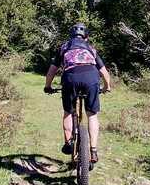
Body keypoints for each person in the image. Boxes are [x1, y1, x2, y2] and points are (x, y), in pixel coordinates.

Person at [44, 23, 111, 163]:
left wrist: (47, 87)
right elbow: (105, 73)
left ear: (70, 37)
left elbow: (51, 72)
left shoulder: (64, 48)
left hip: (70, 78)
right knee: (92, 114)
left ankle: (68, 144)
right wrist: (106, 87)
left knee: (68, 111)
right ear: (86, 38)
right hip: (91, 78)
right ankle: (93, 150)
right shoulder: (91, 49)